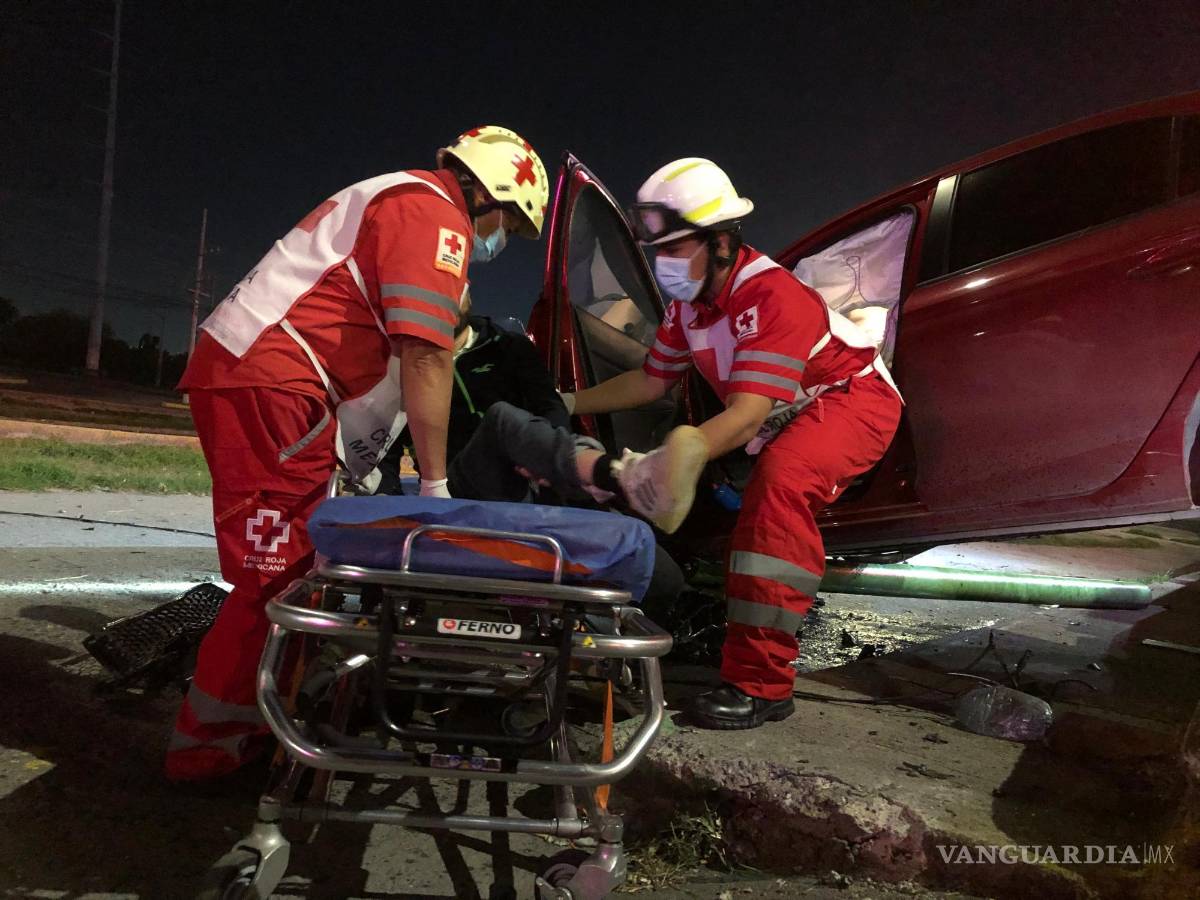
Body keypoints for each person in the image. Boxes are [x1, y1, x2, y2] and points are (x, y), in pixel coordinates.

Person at [167, 126, 549, 780]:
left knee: (290, 569)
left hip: (270, 377)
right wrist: (433, 486)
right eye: (508, 228)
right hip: (275, 382)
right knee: (276, 577)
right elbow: (425, 353)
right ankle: (209, 749)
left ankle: (253, 720)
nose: (498, 244)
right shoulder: (434, 213)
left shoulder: (403, 198)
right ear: (491, 195)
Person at [563, 158, 903, 730]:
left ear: (720, 243)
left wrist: (683, 450)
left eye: (675, 249)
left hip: (852, 400)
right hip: (784, 413)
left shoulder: (772, 296)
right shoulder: (688, 308)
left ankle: (762, 685)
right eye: (658, 251)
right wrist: (568, 402)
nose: (663, 264)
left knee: (779, 488)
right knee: (745, 498)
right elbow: (651, 380)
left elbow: (744, 417)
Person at [375, 297, 687, 609]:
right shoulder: (410, 369)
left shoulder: (509, 348)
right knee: (500, 421)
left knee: (665, 579)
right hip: (466, 490)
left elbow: (550, 408)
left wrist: (539, 462)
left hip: (536, 480)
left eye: (459, 284)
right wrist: (384, 507)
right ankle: (618, 474)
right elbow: (386, 445)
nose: (452, 292)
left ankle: (608, 478)